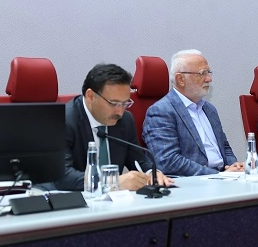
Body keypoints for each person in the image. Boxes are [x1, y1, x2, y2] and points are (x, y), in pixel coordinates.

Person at [57, 63, 172, 191]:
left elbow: (138, 162)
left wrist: (151, 173)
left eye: (125, 103)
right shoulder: (62, 121)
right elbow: (61, 177)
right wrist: (112, 181)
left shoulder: (125, 120)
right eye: (114, 103)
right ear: (90, 96)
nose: (120, 112)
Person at [142, 49, 243, 177]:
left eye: (209, 72)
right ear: (180, 79)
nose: (209, 79)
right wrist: (218, 175)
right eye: (202, 73)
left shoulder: (209, 109)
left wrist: (234, 167)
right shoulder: (161, 111)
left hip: (223, 178)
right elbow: (168, 161)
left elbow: (224, 147)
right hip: (192, 182)